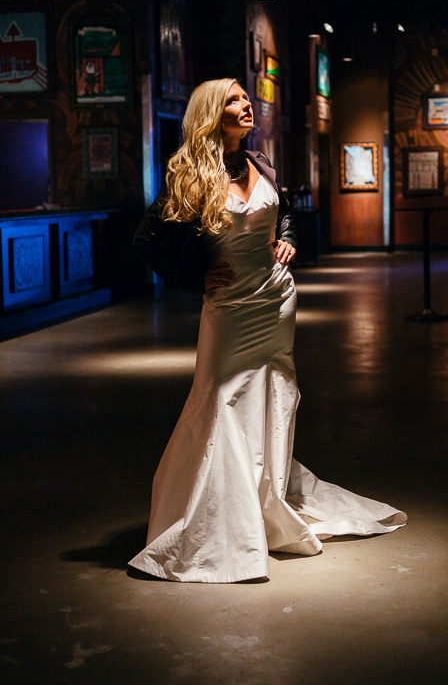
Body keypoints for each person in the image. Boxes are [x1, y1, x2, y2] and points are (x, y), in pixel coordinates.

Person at [129, 78, 406, 583]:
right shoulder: (189, 173)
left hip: (277, 299)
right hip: (230, 306)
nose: (246, 104)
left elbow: (285, 215)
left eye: (245, 97)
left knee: (275, 395)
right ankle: (217, 520)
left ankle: (267, 496)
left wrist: (289, 241)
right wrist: (194, 278)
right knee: (218, 399)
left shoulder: (262, 164)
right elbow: (145, 242)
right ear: (213, 113)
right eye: (235, 99)